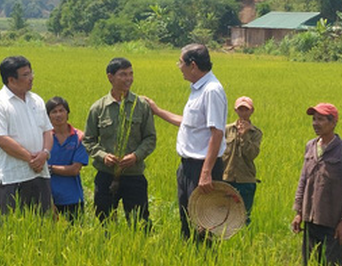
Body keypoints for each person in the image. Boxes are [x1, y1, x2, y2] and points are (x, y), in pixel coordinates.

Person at [145, 44, 227, 241]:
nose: (178, 66)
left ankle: (205, 265)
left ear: (192, 65)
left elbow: (217, 133)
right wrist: (157, 110)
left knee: (203, 226)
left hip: (202, 168)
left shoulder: (212, 90)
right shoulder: (198, 88)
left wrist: (206, 173)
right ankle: (192, 260)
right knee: (187, 221)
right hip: (188, 167)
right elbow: (189, 123)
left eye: (180, 62)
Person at [83, 57, 157, 229]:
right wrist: (103, 156)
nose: (128, 79)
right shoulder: (99, 108)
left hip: (134, 175)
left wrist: (136, 156)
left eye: (131, 74)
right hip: (106, 175)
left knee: (140, 223)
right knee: (105, 221)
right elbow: (89, 140)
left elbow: (150, 138)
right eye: (123, 74)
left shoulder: (141, 106)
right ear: (110, 77)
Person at [291, 103, 342, 266]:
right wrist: (298, 212)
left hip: (333, 223)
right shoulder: (310, 146)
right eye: (314, 119)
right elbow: (303, 180)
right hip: (310, 220)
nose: (315, 123)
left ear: (333, 122)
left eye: (320, 119)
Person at [0, 56, 54, 216]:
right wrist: (30, 158)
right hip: (11, 176)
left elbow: (47, 131)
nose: (31, 78)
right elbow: (1, 139)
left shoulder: (36, 100)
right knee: (13, 227)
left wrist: (44, 154)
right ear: (11, 79)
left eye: (31, 73)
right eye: (25, 75)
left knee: (43, 224)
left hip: (39, 173)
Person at [46, 96, 89, 223]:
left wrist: (49, 168)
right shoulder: (43, 139)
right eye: (54, 112)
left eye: (61, 110)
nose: (58, 115)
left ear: (67, 113)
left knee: (75, 235)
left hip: (73, 198)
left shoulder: (79, 138)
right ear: (48, 116)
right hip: (49, 198)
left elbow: (75, 169)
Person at [222, 96, 262, 225]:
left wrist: (244, 135)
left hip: (246, 180)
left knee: (244, 217)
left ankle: (243, 242)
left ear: (252, 111)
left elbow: (251, 155)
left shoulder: (256, 133)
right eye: (241, 109)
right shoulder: (226, 130)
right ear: (235, 110)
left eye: (246, 110)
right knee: (223, 215)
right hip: (226, 179)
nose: (243, 113)